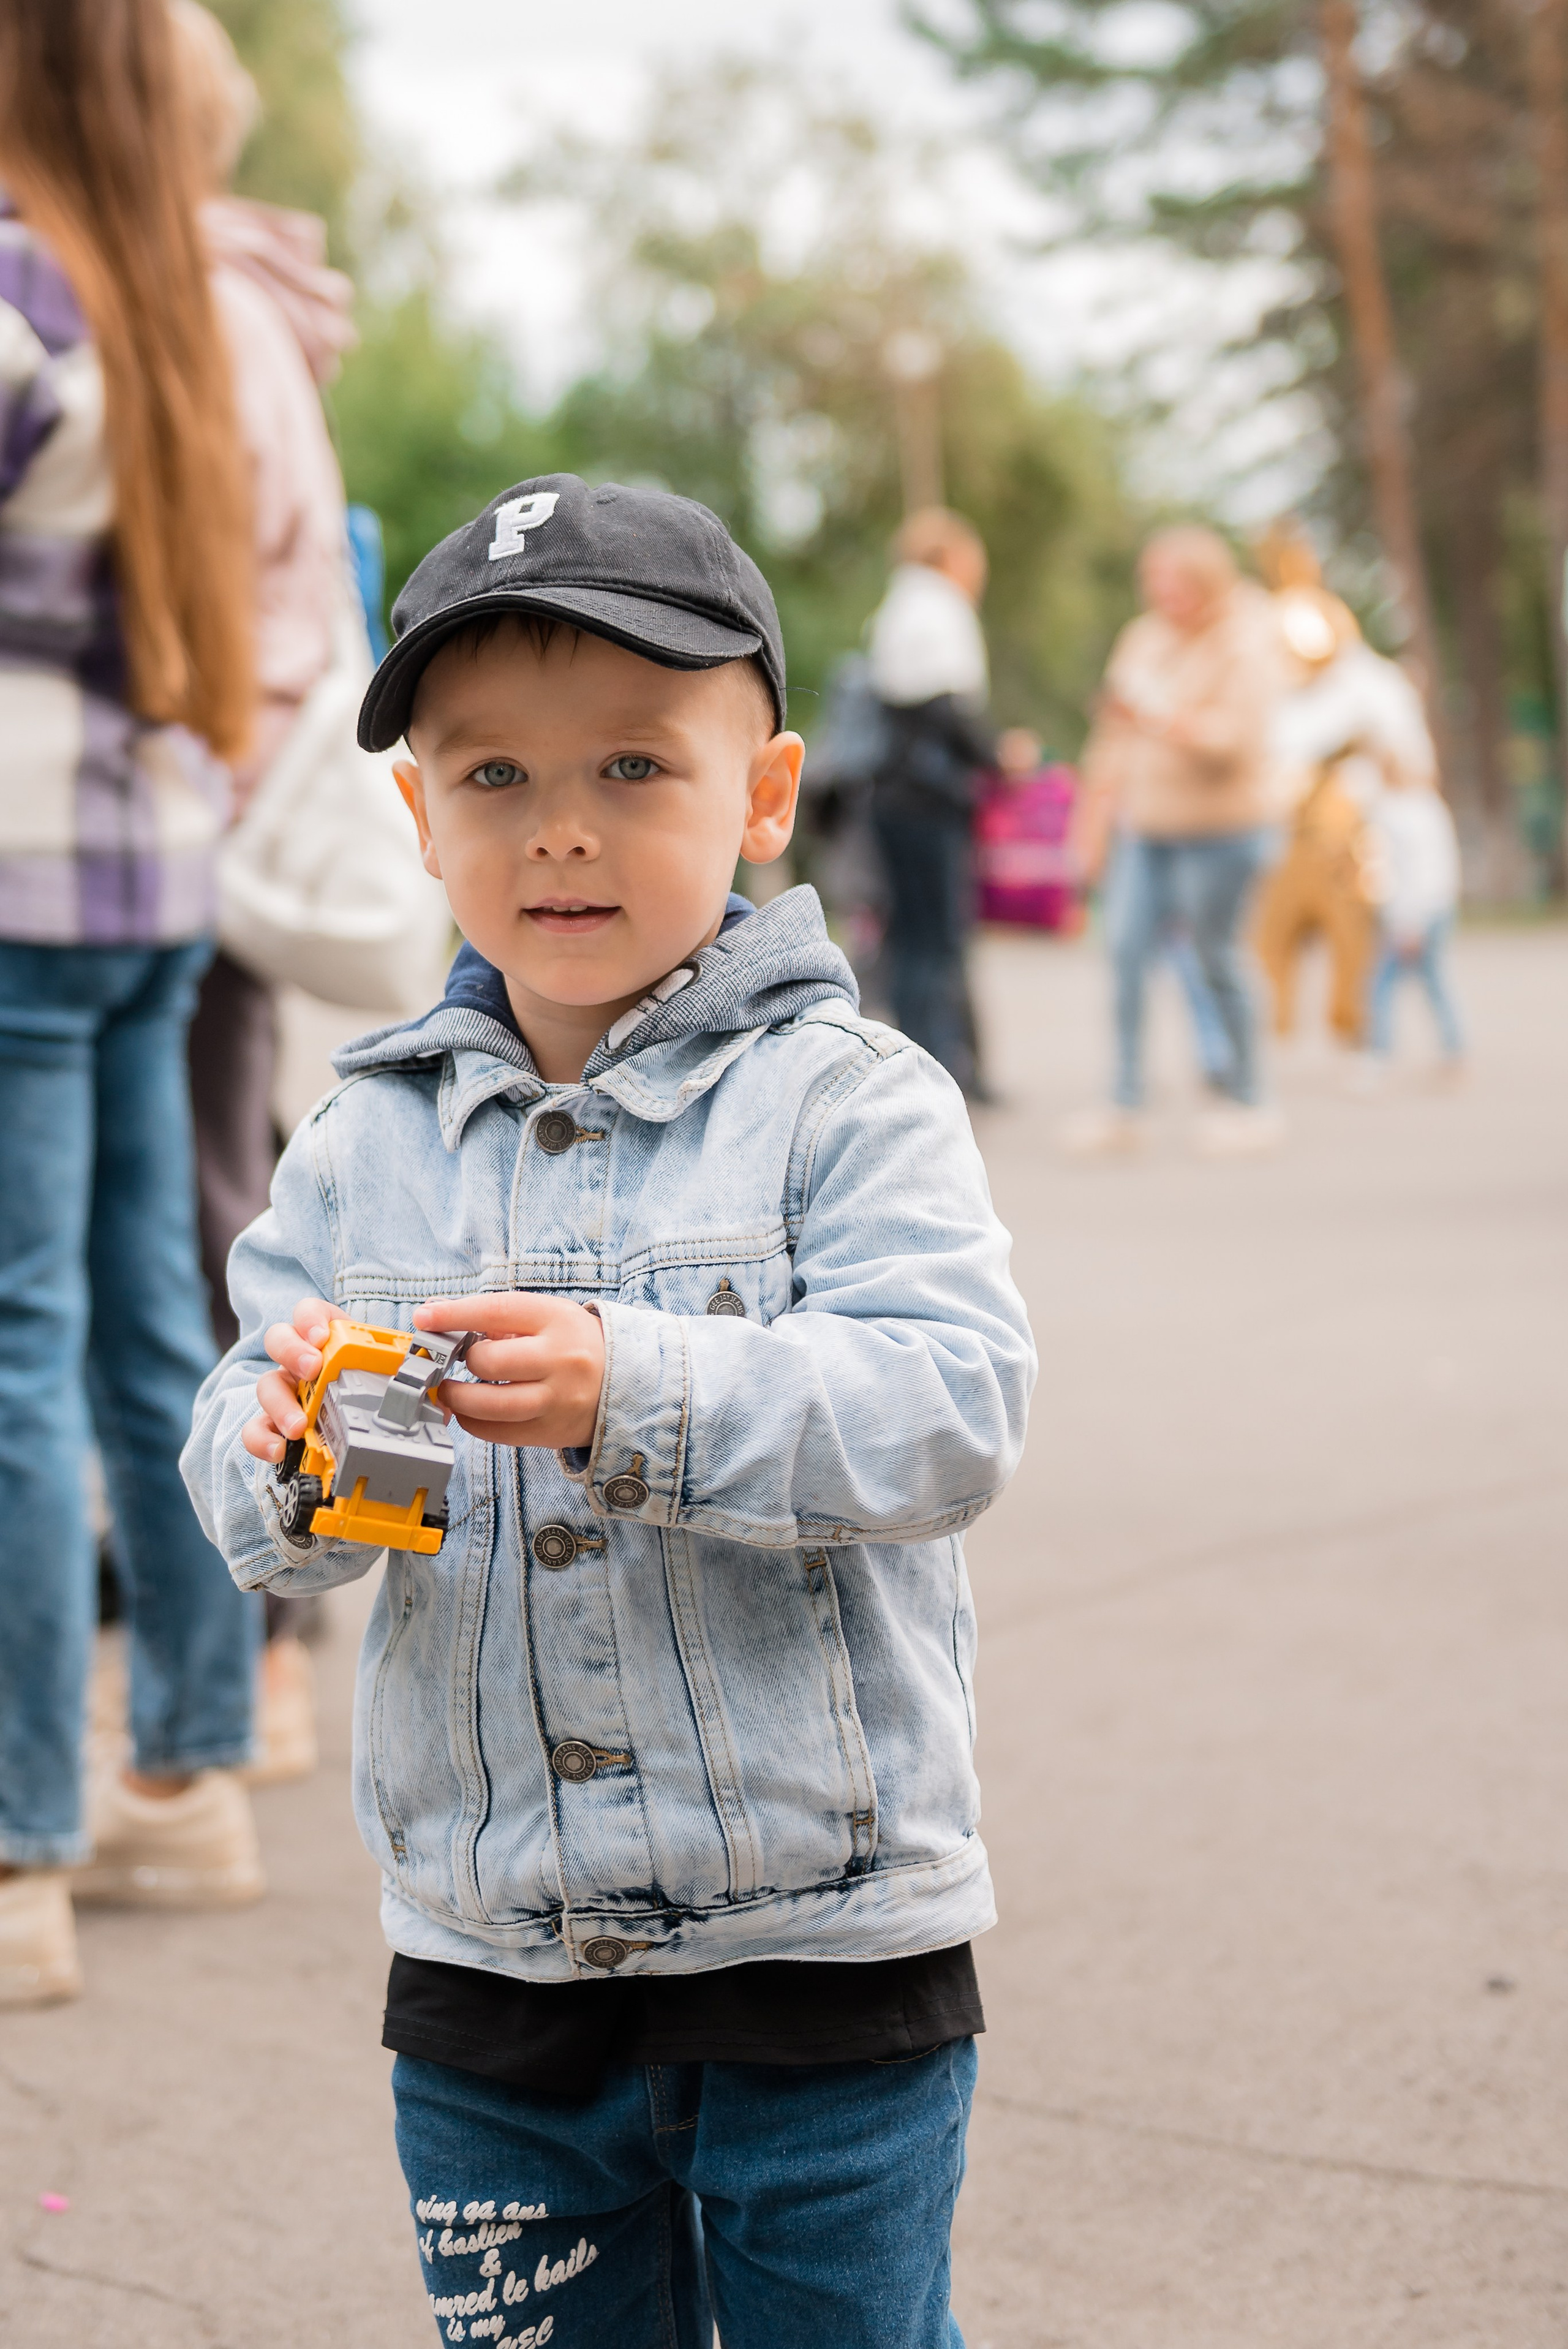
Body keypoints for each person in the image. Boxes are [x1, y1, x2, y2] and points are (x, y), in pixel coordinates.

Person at [184, 474, 1035, 2347]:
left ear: (766, 791)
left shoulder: (848, 1100)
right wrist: (309, 1462)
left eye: (635, 768)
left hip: (817, 1946)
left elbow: (952, 1403)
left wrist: (629, 1384)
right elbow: (256, 1477)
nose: (560, 832)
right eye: (492, 778)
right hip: (492, 1965)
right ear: (415, 816)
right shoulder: (355, 1150)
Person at [0, 0, 263, 2010]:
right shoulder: (171, 305)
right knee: (148, 1317)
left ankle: (18, 1848)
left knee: (17, 1351)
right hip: (156, 869)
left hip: (15, 874)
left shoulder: (15, 290)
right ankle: (191, 1766)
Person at [173, 0, 359, 1785]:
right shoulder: (222, 303)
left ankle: (262, 1638)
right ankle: (232, 1641)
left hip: (180, 840)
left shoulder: (207, 313)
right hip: (167, 828)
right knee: (197, 1208)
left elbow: (255, 606)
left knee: (213, 1220)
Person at [1069, 526, 1291, 1154]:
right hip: (1147, 829)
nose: (1163, 593)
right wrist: (1090, 825)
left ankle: (1251, 1100)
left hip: (1224, 830)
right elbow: (1112, 738)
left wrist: (1162, 721)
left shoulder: (1245, 638)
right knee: (1124, 954)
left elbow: (1237, 742)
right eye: (1156, 582)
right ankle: (1124, 1102)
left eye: (1176, 582)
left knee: (1218, 959)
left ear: (1207, 581)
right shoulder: (1141, 637)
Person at [866, 507, 996, 1095]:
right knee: (939, 941)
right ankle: (944, 1071)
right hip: (931, 797)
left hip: (891, 795)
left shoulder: (892, 609)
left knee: (910, 938)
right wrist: (998, 760)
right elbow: (949, 710)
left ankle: (924, 1063)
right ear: (952, 558)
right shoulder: (941, 607)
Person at [1359, 764, 1464, 1080]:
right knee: (1433, 980)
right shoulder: (1430, 806)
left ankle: (1378, 1055)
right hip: (1439, 905)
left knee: (1382, 984)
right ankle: (1454, 1050)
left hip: (1413, 912)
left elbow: (1408, 872)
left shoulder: (1395, 813)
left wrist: (1407, 922)